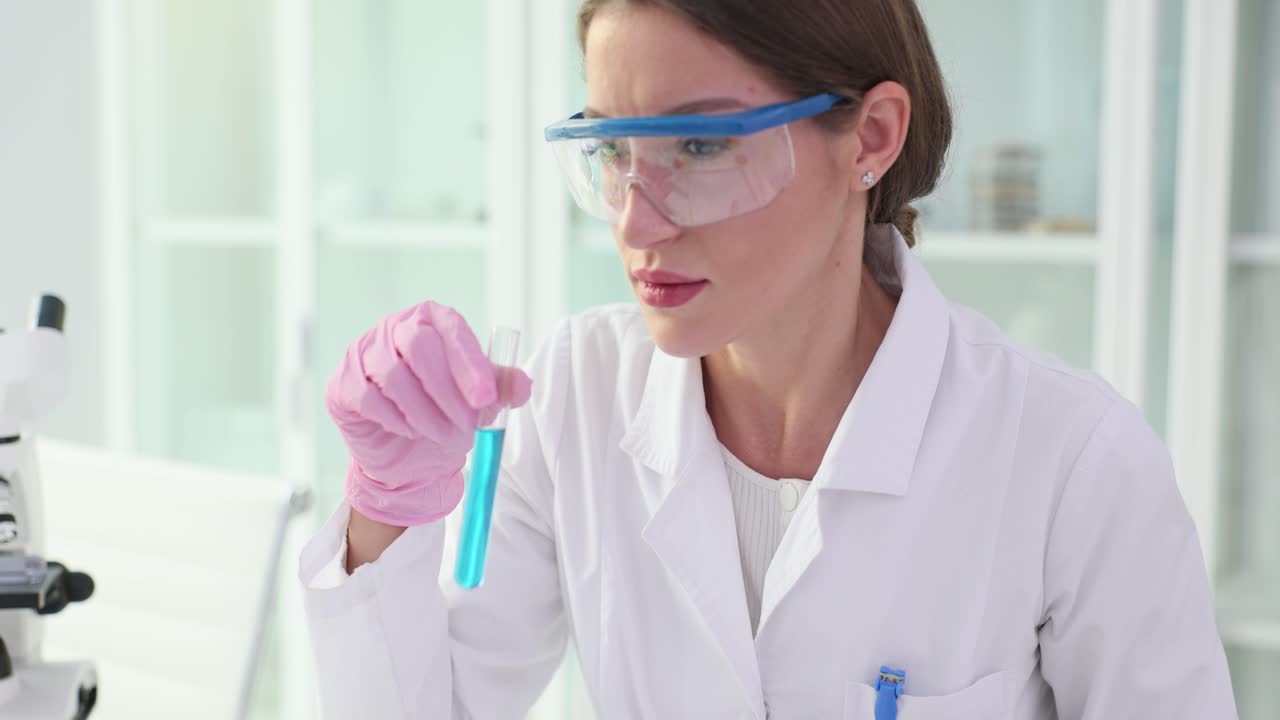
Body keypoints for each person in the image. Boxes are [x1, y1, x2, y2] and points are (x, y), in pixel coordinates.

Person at [298, 1, 1237, 717]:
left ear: (870, 137)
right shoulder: (574, 396)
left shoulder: (1071, 459)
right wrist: (385, 510)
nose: (635, 219)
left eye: (699, 144)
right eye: (615, 149)